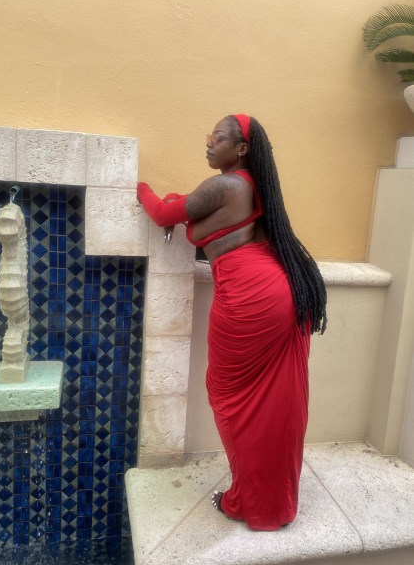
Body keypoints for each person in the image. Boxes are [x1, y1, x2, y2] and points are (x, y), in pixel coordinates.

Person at [137, 114, 327, 531]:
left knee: (229, 397)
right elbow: (195, 215)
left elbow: (163, 213)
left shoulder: (224, 186)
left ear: (241, 148)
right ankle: (268, 502)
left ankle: (250, 500)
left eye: (218, 137)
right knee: (274, 404)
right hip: (278, 292)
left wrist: (140, 187)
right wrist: (179, 205)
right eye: (209, 135)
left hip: (248, 297)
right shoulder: (251, 186)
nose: (209, 142)